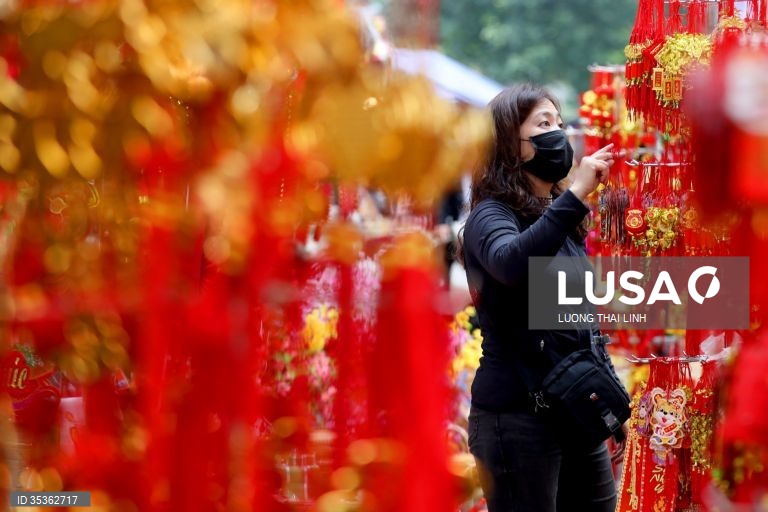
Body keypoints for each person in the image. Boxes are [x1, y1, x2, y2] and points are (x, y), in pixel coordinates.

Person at [461, 83, 618, 512]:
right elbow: (512, 265)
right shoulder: (490, 215)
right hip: (518, 420)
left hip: (574, 413)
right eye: (543, 124)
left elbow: (576, 320)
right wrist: (574, 196)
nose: (558, 134)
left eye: (560, 123)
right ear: (509, 142)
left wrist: (609, 405)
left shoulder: (554, 219)